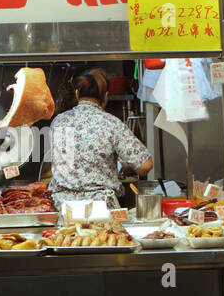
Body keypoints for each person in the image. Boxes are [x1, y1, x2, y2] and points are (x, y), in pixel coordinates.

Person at [48, 68, 152, 212]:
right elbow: (145, 166)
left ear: (77, 94)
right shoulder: (111, 123)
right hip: (100, 209)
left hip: (64, 207)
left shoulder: (58, 121)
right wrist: (125, 165)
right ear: (105, 96)